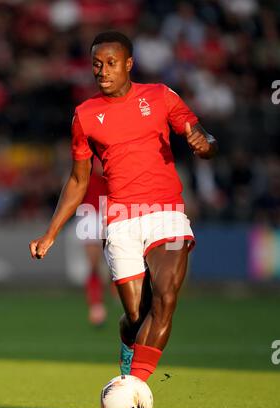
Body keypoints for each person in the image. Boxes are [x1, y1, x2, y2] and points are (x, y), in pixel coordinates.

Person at [29, 31, 217, 382]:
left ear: (129, 63)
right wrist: (51, 232)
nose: (102, 71)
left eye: (111, 63)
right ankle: (129, 346)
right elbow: (77, 180)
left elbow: (204, 137)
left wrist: (204, 145)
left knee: (164, 300)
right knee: (137, 315)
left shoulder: (160, 96)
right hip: (120, 220)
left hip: (167, 215)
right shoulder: (84, 116)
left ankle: (133, 388)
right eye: (96, 64)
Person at [79, 157, 108, 326]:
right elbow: (99, 169)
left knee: (116, 264)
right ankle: (96, 306)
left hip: (111, 210)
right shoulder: (89, 148)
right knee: (94, 264)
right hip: (90, 212)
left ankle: (121, 301)